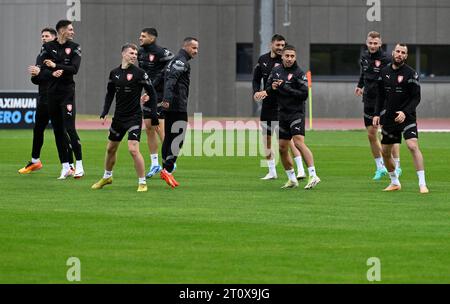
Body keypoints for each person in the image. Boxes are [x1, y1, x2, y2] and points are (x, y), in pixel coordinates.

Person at [91, 43, 158, 192]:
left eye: (136, 54)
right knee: (110, 149)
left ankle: (142, 182)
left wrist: (153, 116)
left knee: (133, 149)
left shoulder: (140, 73)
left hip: (134, 117)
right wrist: (104, 111)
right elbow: (110, 94)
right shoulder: (114, 73)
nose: (134, 56)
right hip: (118, 118)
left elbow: (152, 93)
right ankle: (107, 176)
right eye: (131, 53)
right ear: (123, 54)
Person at [373, 43, 429, 194]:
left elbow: (416, 98)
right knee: (385, 152)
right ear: (393, 53)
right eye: (397, 51)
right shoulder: (384, 72)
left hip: (408, 117)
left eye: (403, 52)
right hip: (389, 119)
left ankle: (422, 184)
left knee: (412, 146)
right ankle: (394, 182)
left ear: (406, 56)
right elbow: (380, 96)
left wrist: (405, 112)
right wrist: (377, 114)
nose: (399, 54)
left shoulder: (411, 73)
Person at [265, 45, 320, 189]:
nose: (289, 59)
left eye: (292, 56)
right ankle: (292, 179)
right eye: (287, 56)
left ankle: (313, 175)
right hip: (282, 113)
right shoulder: (276, 71)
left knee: (298, 142)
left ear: (295, 57)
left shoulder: (299, 73)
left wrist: (285, 87)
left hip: (296, 113)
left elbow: (304, 94)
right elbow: (269, 88)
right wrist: (271, 89)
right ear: (282, 56)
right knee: (282, 148)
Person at [253, 34, 306, 180]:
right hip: (267, 105)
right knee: (266, 138)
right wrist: (256, 92)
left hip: (283, 105)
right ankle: (271, 171)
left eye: (283, 46)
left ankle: (300, 169)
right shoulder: (262, 60)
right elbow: (256, 78)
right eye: (278, 45)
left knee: (287, 140)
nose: (281, 49)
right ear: (272, 44)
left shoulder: (286, 63)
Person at [40, 19, 84, 179]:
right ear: (62, 31)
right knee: (58, 131)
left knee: (70, 129)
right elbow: (40, 68)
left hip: (67, 93)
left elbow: (74, 69)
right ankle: (65, 167)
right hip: (51, 94)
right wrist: (51, 72)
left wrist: (56, 66)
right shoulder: (47, 47)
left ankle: (79, 164)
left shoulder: (75, 47)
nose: (73, 32)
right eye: (70, 29)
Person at [355, 31, 402, 181]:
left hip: (385, 101)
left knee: (388, 134)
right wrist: (360, 85)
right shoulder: (364, 56)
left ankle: (397, 165)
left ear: (380, 43)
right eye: (370, 43)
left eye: (376, 43)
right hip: (368, 99)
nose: (373, 45)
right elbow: (363, 73)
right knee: (371, 134)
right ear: (366, 43)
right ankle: (380, 167)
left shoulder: (387, 58)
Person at [159, 37, 199, 188]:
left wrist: (151, 94)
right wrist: (167, 100)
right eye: (194, 48)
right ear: (186, 47)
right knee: (179, 139)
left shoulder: (174, 60)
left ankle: (166, 169)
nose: (196, 51)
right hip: (177, 106)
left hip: (172, 105)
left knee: (169, 137)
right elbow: (170, 81)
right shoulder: (181, 62)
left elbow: (162, 77)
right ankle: (168, 169)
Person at [18, 27, 57, 174]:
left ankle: (70, 165)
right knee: (38, 130)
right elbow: (37, 80)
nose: (43, 38)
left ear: (54, 38)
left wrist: (41, 72)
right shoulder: (40, 55)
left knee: (62, 132)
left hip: (57, 98)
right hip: (43, 97)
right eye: (42, 36)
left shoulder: (59, 55)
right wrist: (34, 75)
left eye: (46, 36)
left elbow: (58, 74)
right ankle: (35, 161)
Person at [138, 28, 174, 178]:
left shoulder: (161, 52)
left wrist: (155, 87)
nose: (140, 38)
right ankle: (154, 164)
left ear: (152, 38)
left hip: (159, 93)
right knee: (148, 128)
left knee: (159, 126)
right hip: (147, 93)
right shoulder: (140, 53)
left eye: (143, 36)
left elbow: (170, 67)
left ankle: (170, 160)